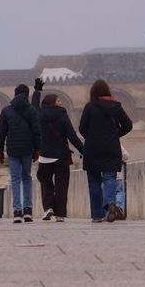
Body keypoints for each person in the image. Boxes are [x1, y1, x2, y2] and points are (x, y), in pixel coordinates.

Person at [78, 78, 133, 223]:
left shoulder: (89, 107)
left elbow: (82, 128)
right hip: (111, 147)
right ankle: (111, 204)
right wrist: (114, 135)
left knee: (94, 180)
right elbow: (128, 125)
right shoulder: (116, 106)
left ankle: (97, 215)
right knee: (110, 177)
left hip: (92, 148)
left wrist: (92, 137)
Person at [36, 91, 86, 221]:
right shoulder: (63, 116)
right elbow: (72, 136)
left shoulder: (40, 115)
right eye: (58, 101)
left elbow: (34, 106)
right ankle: (60, 214)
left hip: (45, 156)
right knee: (62, 185)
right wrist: (83, 150)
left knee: (46, 183)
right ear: (53, 103)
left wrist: (36, 91)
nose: (61, 102)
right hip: (61, 156)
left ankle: (48, 208)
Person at [0, 83, 42, 222]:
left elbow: (1, 133)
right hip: (27, 149)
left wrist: (0, 150)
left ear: (15, 94)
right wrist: (37, 149)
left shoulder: (6, 111)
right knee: (26, 177)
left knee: (15, 179)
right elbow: (37, 132)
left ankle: (17, 211)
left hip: (13, 149)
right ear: (27, 95)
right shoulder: (32, 111)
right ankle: (28, 210)